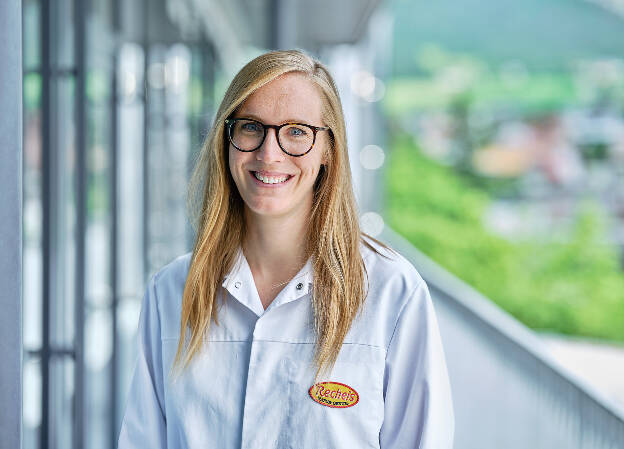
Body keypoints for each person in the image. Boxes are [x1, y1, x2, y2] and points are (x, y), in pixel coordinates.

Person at [118, 49, 454, 448]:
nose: (269, 153)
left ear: (329, 148)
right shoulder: (172, 290)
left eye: (296, 131)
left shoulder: (391, 293)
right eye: (250, 127)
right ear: (226, 139)